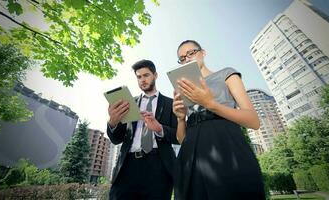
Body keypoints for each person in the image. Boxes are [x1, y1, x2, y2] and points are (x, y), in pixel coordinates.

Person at [172, 40, 265, 200]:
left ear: (203, 52)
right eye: (182, 58)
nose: (187, 59)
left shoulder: (227, 74)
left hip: (226, 147)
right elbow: (182, 140)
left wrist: (210, 104)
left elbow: (253, 121)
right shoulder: (184, 89)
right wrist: (181, 119)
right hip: (191, 158)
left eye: (191, 53)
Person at [107, 59, 178, 200]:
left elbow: (179, 136)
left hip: (159, 167)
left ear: (155, 75)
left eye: (146, 75)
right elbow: (116, 140)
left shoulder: (171, 103)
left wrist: (159, 128)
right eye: (139, 77)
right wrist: (113, 122)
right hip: (128, 166)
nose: (142, 80)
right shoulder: (127, 103)